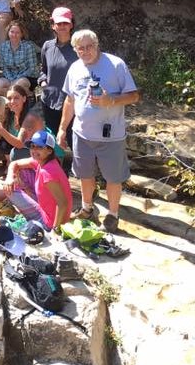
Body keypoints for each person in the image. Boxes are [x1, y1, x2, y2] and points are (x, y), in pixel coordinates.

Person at [58, 29, 140, 234]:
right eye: (80, 48)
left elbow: (134, 96)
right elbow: (70, 100)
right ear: (75, 50)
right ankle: (87, 209)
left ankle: (112, 215)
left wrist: (110, 100)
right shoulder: (75, 68)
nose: (85, 51)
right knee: (85, 175)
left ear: (97, 45)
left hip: (111, 136)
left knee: (113, 177)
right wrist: (62, 129)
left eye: (89, 47)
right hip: (81, 134)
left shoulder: (116, 64)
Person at [1, 130, 72, 230]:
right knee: (21, 171)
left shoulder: (47, 172)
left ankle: (35, 217)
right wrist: (9, 177)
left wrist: (55, 230)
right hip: (48, 212)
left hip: (48, 222)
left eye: (39, 147)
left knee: (10, 189)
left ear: (49, 150)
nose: (34, 150)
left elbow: (63, 203)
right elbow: (15, 164)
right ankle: (29, 200)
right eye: (32, 146)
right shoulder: (44, 161)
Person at [39, 7, 78, 148]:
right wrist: (43, 82)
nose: (62, 26)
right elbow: (43, 70)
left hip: (72, 103)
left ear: (71, 24)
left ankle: (78, 170)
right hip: (50, 101)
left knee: (74, 140)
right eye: (59, 23)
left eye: (65, 23)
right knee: (52, 141)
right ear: (53, 25)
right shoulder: (47, 46)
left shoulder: (79, 48)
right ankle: (53, 169)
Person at [0, 20, 39, 89]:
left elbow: (32, 69)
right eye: (12, 32)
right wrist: (11, 79)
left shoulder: (29, 46)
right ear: (8, 32)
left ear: (22, 34)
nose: (14, 35)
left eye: (17, 33)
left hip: (27, 77)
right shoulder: (3, 46)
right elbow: (4, 67)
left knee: (17, 86)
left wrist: (16, 79)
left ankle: (29, 96)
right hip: (9, 77)